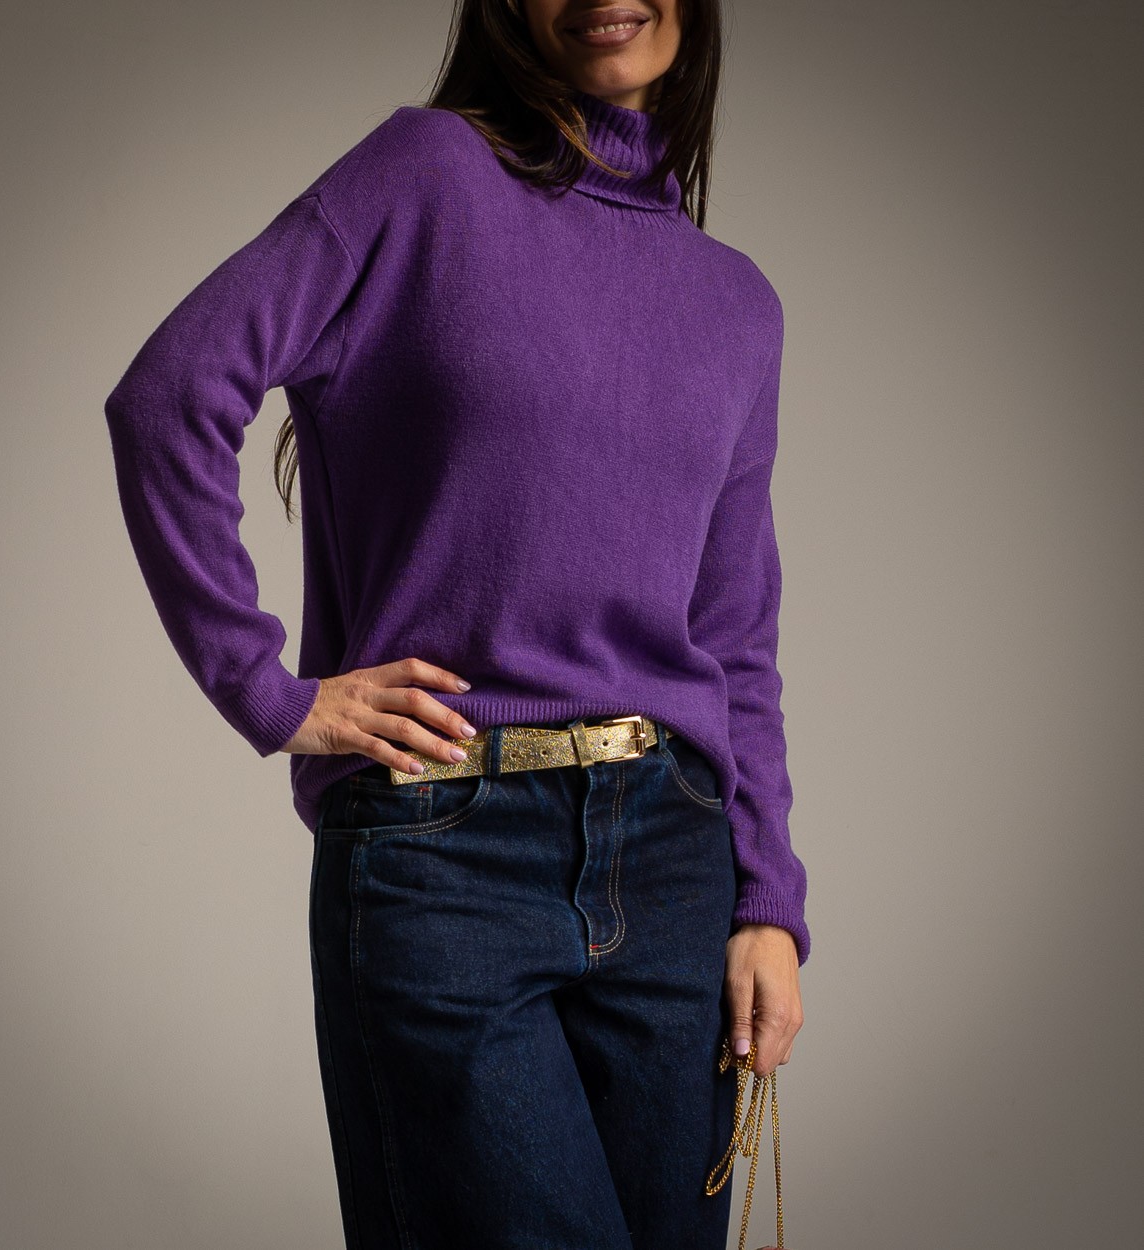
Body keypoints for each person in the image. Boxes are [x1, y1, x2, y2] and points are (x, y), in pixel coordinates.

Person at [103, 1, 810, 1245]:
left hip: (675, 865)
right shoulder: (422, 175)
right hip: (445, 853)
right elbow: (169, 393)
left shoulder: (737, 303)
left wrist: (766, 899)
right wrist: (271, 692)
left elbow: (732, 632)